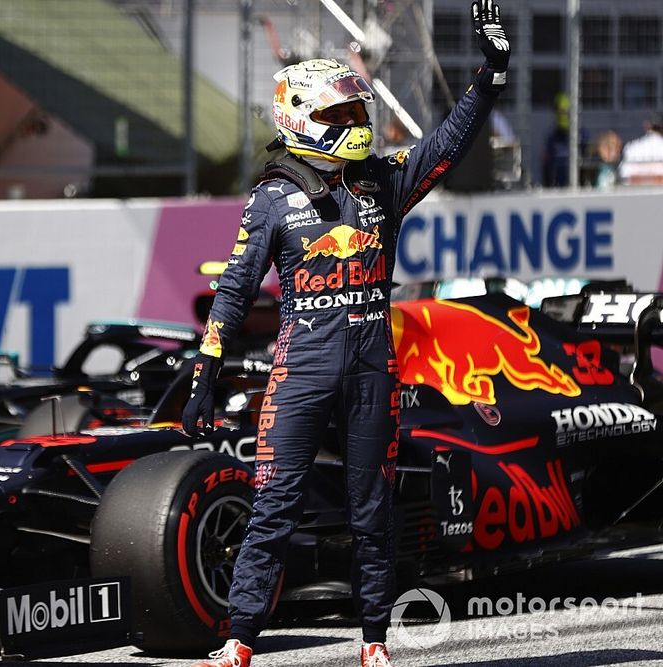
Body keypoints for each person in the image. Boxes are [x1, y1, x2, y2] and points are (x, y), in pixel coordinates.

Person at [180, 2, 510, 666]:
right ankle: (240, 639)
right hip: (300, 372)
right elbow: (235, 289)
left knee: (372, 512)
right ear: (301, 119)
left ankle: (375, 642)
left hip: (371, 371)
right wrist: (204, 376)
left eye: (358, 111)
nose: (357, 122)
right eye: (343, 113)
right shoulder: (271, 199)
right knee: (273, 506)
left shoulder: (382, 183)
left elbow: (447, 143)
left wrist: (491, 74)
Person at [618, 112, 663, 186]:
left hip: (636, 191)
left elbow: (623, 176)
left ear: (647, 126)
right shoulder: (631, 148)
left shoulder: (631, 148)